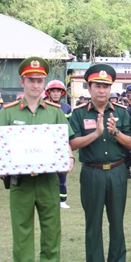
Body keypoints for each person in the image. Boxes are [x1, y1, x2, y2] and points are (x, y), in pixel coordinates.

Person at [0, 57, 74, 262]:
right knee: (22, 230)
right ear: (22, 82)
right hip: (20, 183)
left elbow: (65, 143)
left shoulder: (55, 113)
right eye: (31, 80)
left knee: (51, 229)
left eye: (40, 80)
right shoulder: (8, 112)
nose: (36, 85)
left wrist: (70, 159)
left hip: (48, 182)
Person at [69, 64, 131, 262]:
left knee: (117, 220)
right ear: (89, 87)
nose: (102, 91)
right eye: (97, 86)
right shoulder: (78, 114)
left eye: (106, 86)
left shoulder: (122, 112)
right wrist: (96, 133)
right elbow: (72, 143)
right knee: (93, 221)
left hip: (117, 171)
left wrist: (115, 132)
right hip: (92, 173)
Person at [45, 80, 73, 209]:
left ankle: (62, 199)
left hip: (62, 144)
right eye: (53, 91)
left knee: (62, 174)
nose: (56, 94)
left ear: (62, 93)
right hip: (47, 144)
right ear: (49, 93)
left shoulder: (66, 108)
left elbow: (69, 126)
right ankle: (49, 198)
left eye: (58, 92)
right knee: (48, 174)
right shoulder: (44, 106)